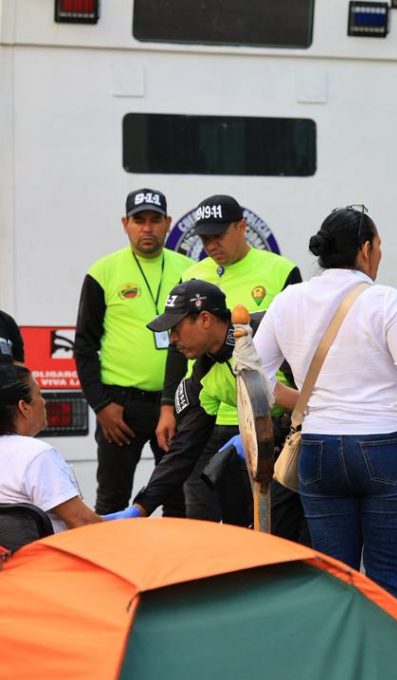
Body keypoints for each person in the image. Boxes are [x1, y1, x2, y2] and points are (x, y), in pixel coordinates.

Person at [252, 205, 397, 611]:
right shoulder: (386, 300)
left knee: (336, 582)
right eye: (379, 247)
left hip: (319, 448)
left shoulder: (288, 301)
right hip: (389, 445)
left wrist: (304, 404)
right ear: (366, 249)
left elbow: (253, 377)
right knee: (390, 581)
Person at [105, 279, 303, 537]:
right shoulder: (204, 374)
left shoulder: (266, 333)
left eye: (176, 328)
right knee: (226, 476)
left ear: (205, 319)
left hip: (324, 440)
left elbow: (319, 395)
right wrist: (141, 507)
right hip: (283, 454)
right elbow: (184, 448)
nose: (172, 339)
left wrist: (270, 431)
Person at [157, 194, 301, 525]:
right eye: (204, 238)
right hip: (207, 413)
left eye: (218, 235)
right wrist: (167, 405)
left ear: (242, 226)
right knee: (201, 518)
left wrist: (297, 409)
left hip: (262, 417)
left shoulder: (280, 270)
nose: (211, 245)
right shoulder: (192, 274)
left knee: (259, 519)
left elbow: (297, 346)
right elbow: (176, 346)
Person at [73, 189, 193, 516]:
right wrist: (101, 405)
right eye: (139, 220)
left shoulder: (190, 270)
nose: (147, 228)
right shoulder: (103, 271)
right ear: (125, 223)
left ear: (168, 223)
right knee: (112, 499)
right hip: (120, 407)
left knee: (180, 501)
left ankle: (177, 553)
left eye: (155, 219)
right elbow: (84, 345)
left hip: (178, 402)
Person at [0, 364, 101, 531]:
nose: (44, 401)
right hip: (49, 548)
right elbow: (83, 523)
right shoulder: (36, 454)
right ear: (24, 407)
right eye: (39, 394)